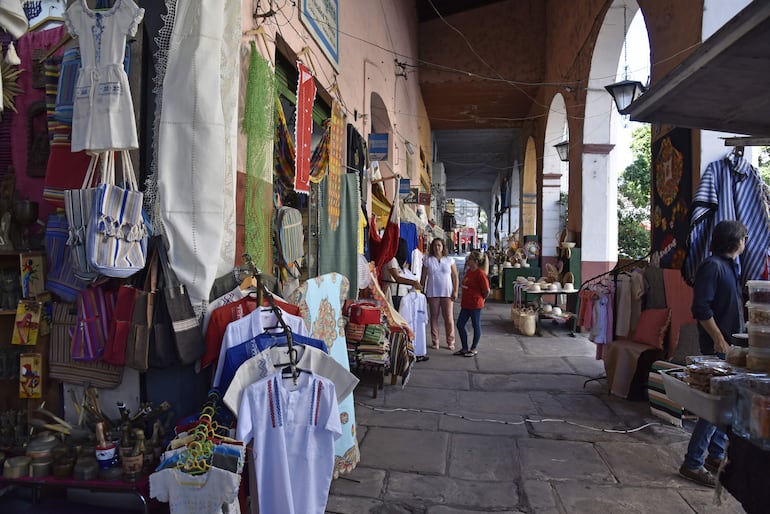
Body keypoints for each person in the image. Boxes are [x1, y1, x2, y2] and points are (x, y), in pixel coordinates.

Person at [679, 219, 747, 488]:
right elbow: (701, 309)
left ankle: (715, 455)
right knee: (713, 407)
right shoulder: (712, 266)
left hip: (732, 347)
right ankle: (693, 463)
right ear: (735, 240)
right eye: (744, 237)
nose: (745, 241)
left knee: (725, 406)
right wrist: (719, 339)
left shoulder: (730, 266)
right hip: (719, 348)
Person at [421, 238, 459, 351]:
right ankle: (435, 340)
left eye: (439, 245)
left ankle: (450, 341)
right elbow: (423, 277)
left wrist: (455, 290)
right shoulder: (428, 260)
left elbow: (455, 276)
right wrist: (422, 290)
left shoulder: (449, 260)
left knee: (448, 318)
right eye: (435, 245)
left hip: (447, 292)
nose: (437, 247)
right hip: (432, 292)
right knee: (434, 317)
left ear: (443, 247)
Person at [455, 251, 490, 357]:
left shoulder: (480, 274)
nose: (467, 260)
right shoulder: (469, 271)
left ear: (475, 261)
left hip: (475, 304)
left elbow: (486, 290)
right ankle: (464, 348)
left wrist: (482, 299)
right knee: (460, 324)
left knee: (476, 325)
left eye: (469, 259)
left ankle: (473, 348)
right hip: (466, 303)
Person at [381, 238, 421, 311]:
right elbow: (397, 278)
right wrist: (413, 282)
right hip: (394, 294)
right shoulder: (391, 260)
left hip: (401, 293)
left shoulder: (397, 262)